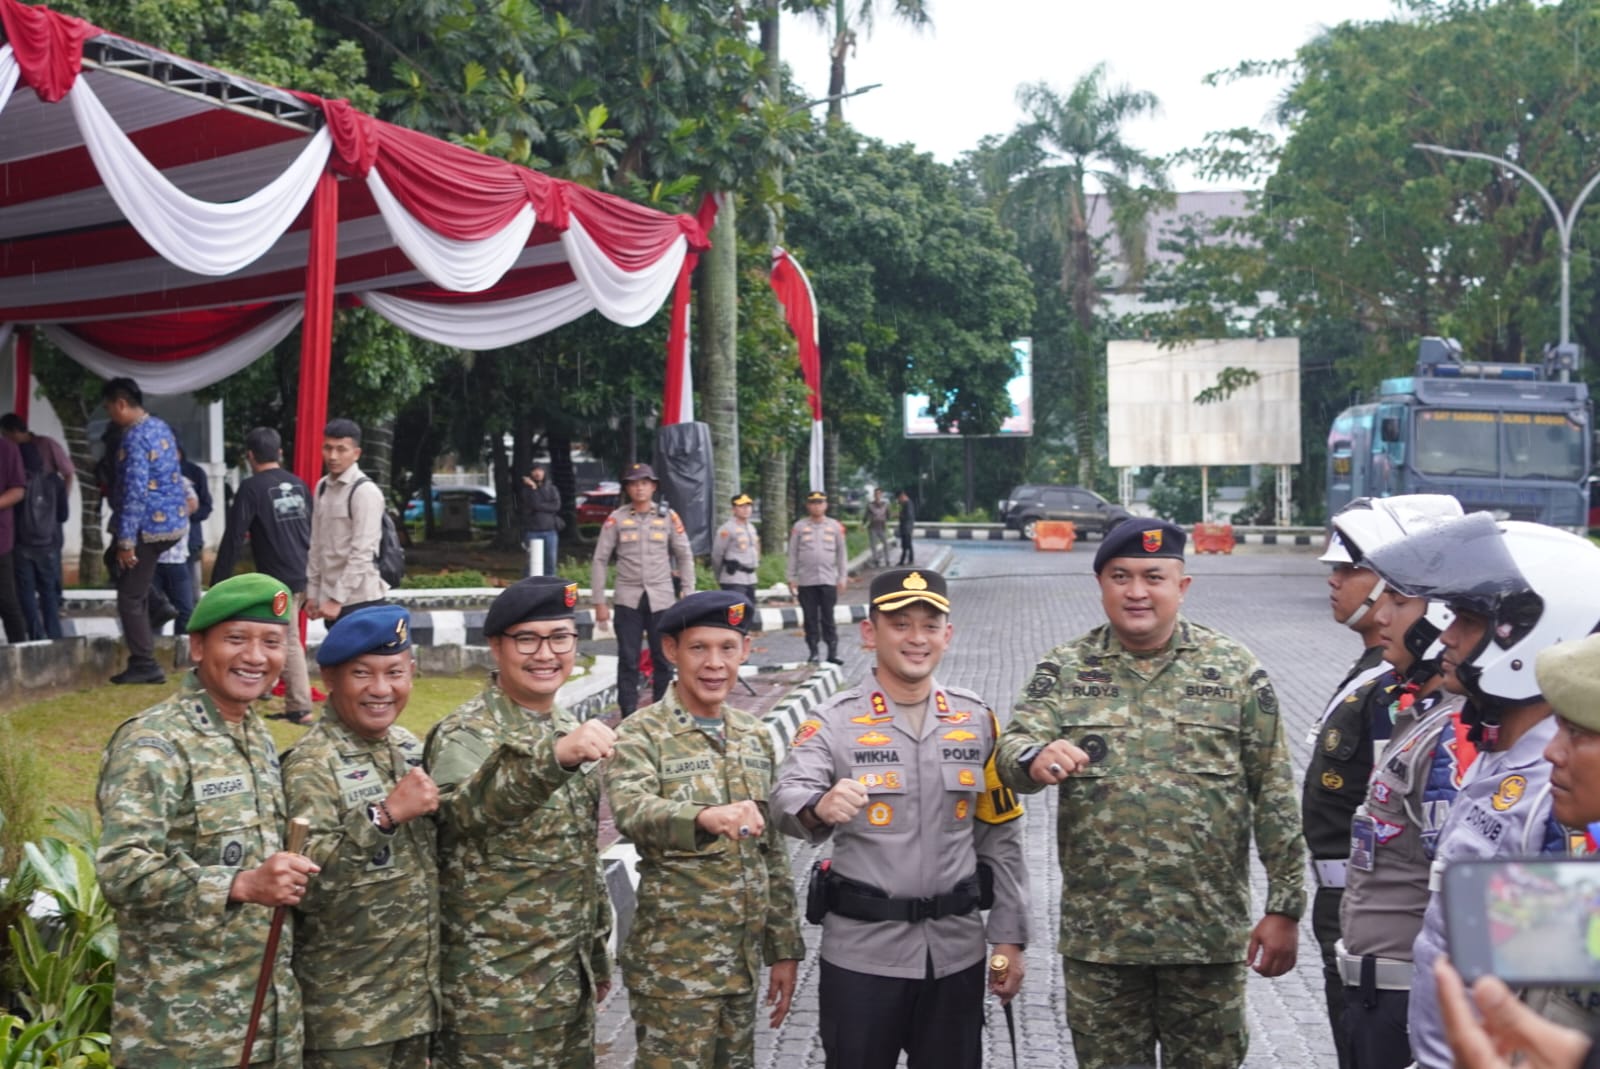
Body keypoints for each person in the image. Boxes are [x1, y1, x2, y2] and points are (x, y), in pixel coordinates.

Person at [995, 519, 1305, 1069]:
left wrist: (1284, 908)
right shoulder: (1067, 669)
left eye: (1153, 577)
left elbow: (1274, 791)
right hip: (1102, 946)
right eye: (1121, 577)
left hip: (1206, 942)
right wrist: (1034, 757)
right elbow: (1012, 747)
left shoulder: (1233, 670)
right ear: (1101, 585)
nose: (1137, 592)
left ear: (1181, 587)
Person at [1361, 514, 1600, 1069]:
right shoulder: (1506, 760)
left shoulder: (1555, 792)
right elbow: (1476, 952)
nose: (1445, 635)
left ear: (1532, 632)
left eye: (1466, 620)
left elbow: (1558, 999)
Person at [771, 567, 1028, 1068]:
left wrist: (1010, 938)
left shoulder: (975, 720)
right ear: (870, 633)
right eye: (901, 624)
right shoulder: (835, 721)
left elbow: (1000, 835)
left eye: (930, 625)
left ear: (947, 636)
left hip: (956, 955)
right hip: (863, 958)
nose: (917, 638)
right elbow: (787, 794)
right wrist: (819, 805)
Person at [95, 573, 320, 1068]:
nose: (256, 658)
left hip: (264, 1022)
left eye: (272, 642)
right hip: (184, 1033)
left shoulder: (253, 734)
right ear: (198, 647)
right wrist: (238, 884)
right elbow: (122, 869)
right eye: (236, 639)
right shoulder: (155, 744)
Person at [603, 590, 804, 1068]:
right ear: (671, 651)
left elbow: (770, 849)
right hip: (675, 970)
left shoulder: (752, 735)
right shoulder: (641, 733)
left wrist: (784, 948)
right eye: (699, 649)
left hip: (740, 965)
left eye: (727, 648)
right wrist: (702, 817)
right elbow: (631, 809)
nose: (714, 664)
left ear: (746, 650)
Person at [424, 576, 617, 1068]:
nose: (546, 654)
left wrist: (595, 955)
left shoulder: (566, 727)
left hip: (566, 988)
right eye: (527, 640)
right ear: (495, 646)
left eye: (560, 638)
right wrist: (553, 760)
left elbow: (580, 858)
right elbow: (459, 814)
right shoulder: (465, 733)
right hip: (493, 998)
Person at [1303, 495, 1461, 1067]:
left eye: (1401, 597)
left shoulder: (1445, 717)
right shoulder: (1395, 689)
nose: (1387, 616)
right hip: (1369, 932)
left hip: (1402, 954)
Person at [282, 604, 440, 1069]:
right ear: (329, 677)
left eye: (395, 672)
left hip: (414, 1008)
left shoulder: (410, 747)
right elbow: (305, 886)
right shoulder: (311, 763)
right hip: (347, 1019)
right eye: (362, 674)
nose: (381, 689)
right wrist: (384, 816)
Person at [212, 427, 316, 725]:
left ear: (250, 456)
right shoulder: (298, 485)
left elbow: (234, 537)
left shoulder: (252, 488)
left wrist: (219, 583)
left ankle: (300, 706)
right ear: (280, 453)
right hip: (305, 572)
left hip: (278, 577)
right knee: (272, 634)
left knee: (286, 638)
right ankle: (266, 688)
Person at [589, 461, 694, 717]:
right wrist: (599, 601)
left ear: (653, 487)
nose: (639, 488)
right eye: (634, 483)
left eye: (644, 483)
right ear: (627, 488)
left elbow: (684, 554)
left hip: (662, 599)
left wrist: (688, 593)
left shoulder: (668, 517)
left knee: (663, 659)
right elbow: (600, 559)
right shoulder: (617, 519)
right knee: (628, 659)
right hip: (628, 599)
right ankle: (628, 715)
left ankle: (660, 713)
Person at [102, 377, 189, 683]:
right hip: (173, 522)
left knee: (129, 596)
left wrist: (126, 540)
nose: (110, 414)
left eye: (109, 407)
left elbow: (135, 491)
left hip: (148, 527)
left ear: (121, 403)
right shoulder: (159, 426)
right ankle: (157, 605)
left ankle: (144, 663)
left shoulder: (134, 437)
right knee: (113, 560)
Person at [306, 419, 388, 624]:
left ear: (356, 453)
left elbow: (362, 552)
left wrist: (337, 599)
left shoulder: (365, 492)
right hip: (329, 598)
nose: (333, 456)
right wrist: (313, 592)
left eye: (341, 449)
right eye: (328, 448)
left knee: (362, 657)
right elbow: (316, 545)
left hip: (360, 599)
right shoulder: (322, 487)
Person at [2, 412, 72, 640]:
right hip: (49, 542)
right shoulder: (55, 483)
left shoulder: (20, 486)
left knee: (25, 596)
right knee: (49, 593)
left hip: (21, 545)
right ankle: (55, 638)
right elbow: (63, 514)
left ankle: (35, 638)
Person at [787, 490, 848, 664]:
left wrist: (842, 577)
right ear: (808, 506)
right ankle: (813, 652)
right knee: (810, 617)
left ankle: (832, 652)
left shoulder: (835, 526)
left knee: (828, 617)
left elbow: (842, 554)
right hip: (807, 581)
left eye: (820, 502)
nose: (817, 506)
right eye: (813, 503)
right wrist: (791, 577)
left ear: (826, 505)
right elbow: (792, 554)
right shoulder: (799, 527)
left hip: (828, 580)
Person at [710, 492, 760, 617]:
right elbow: (717, 555)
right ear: (733, 509)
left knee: (749, 613)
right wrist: (719, 575)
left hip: (750, 578)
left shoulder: (751, 528)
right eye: (741, 506)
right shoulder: (727, 529)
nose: (746, 509)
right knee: (736, 616)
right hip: (734, 578)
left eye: (748, 506)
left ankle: (745, 636)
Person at [0, 431, 29, 643]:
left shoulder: (7, 449)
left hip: (1, 538)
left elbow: (18, 490)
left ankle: (21, 655)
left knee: (7, 601)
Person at [179, 446, 214, 597]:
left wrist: (187, 513)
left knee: (192, 593)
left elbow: (206, 506)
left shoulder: (194, 472)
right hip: (160, 545)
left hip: (190, 541)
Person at [516, 464, 561, 577]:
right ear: (531, 473)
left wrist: (539, 507)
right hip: (532, 531)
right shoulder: (526, 490)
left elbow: (556, 506)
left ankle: (549, 586)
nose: (538, 473)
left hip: (550, 531)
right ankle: (528, 587)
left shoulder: (552, 488)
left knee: (550, 562)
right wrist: (534, 488)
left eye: (540, 470)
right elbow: (532, 504)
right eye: (535, 470)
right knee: (532, 562)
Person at [864, 487, 890, 568]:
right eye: (876, 494)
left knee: (885, 544)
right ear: (874, 495)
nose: (877, 495)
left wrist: (884, 519)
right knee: (873, 545)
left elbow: (888, 515)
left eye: (879, 493)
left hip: (882, 527)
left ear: (881, 495)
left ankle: (887, 560)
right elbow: (866, 516)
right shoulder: (870, 505)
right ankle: (876, 560)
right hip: (873, 527)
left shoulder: (885, 505)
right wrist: (862, 524)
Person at [896, 489, 916, 566]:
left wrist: (899, 515)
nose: (899, 500)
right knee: (905, 545)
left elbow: (908, 516)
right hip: (905, 528)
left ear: (902, 496)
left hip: (907, 528)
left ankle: (907, 560)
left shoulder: (908, 504)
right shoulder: (905, 504)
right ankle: (904, 560)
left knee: (907, 545)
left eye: (899, 498)